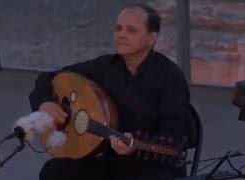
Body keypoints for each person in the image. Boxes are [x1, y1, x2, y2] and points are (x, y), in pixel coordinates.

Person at [29, 3, 196, 180]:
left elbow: (176, 138)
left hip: (154, 167)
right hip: (112, 159)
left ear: (151, 38)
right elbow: (49, 78)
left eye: (131, 30)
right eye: (118, 28)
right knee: (55, 171)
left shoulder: (170, 77)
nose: (121, 35)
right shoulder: (106, 66)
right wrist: (44, 102)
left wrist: (136, 145)